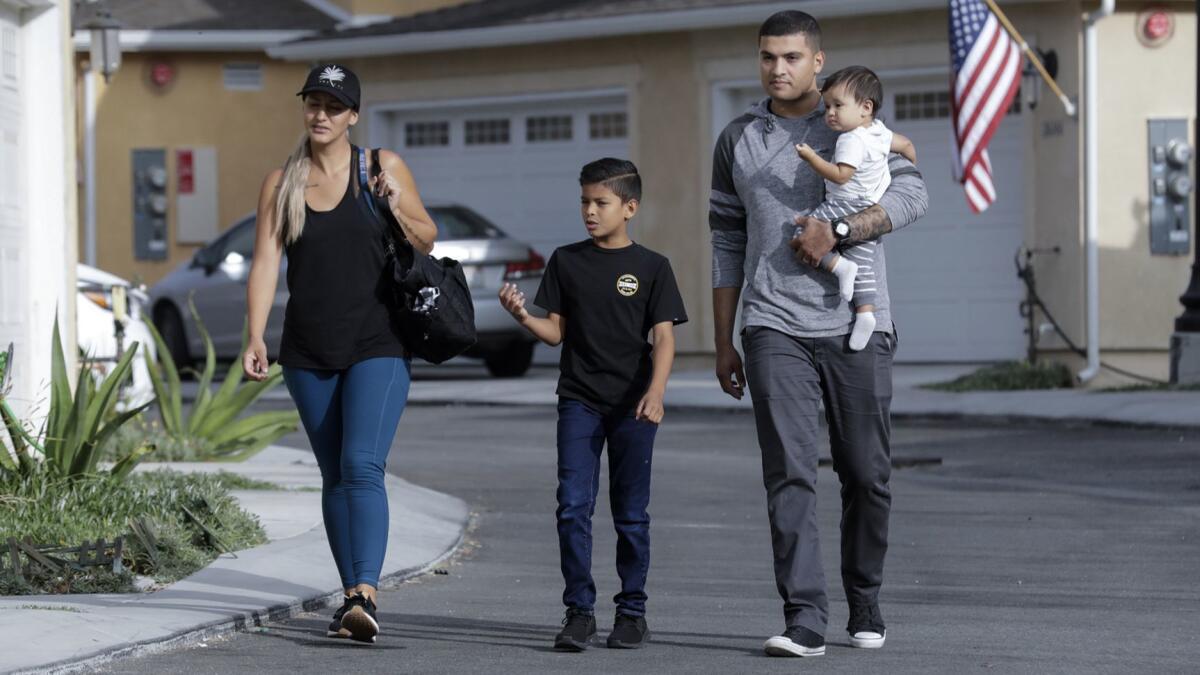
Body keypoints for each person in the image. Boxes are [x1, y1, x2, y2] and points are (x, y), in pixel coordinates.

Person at [708, 11, 929, 658]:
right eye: (768, 57)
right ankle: (804, 617)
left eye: (792, 58)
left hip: (858, 319)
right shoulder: (738, 138)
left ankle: (865, 597)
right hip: (773, 323)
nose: (779, 69)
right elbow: (726, 239)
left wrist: (839, 231)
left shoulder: (858, 121)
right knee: (790, 472)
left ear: (818, 60)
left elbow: (912, 199)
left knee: (867, 471)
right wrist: (725, 338)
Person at [242, 63, 438, 644]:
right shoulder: (282, 183)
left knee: (361, 465)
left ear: (353, 114)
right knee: (333, 473)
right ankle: (351, 594)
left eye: (333, 105)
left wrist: (395, 203)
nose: (321, 114)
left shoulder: (381, 166)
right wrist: (256, 335)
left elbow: (428, 237)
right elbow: (264, 264)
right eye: (313, 103)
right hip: (307, 349)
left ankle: (365, 591)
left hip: (378, 341)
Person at [498, 158, 687, 651]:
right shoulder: (567, 260)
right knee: (572, 507)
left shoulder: (652, 267)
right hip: (579, 401)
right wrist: (522, 315)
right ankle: (579, 611)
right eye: (584, 201)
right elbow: (555, 333)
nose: (589, 211)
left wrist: (656, 391)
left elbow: (663, 339)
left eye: (600, 203)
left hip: (633, 406)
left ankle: (632, 612)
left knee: (630, 514)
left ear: (629, 208)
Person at [794, 65, 917, 351]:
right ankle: (865, 313)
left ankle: (837, 266)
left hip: (842, 205)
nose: (830, 113)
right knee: (864, 268)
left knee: (802, 234)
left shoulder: (850, 139)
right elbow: (907, 144)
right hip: (868, 210)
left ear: (865, 107)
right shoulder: (879, 132)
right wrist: (911, 165)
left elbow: (841, 175)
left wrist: (811, 158)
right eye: (827, 107)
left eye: (838, 105)